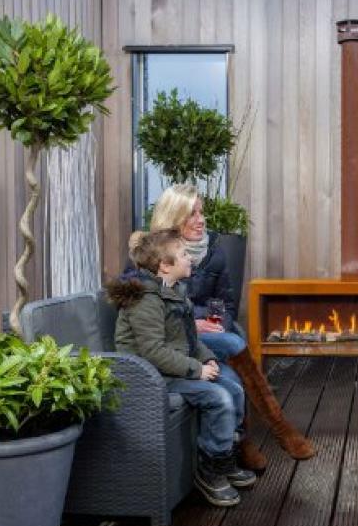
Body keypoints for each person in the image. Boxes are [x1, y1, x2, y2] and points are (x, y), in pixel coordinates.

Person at [135, 184, 316, 469]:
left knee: (231, 366)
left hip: (207, 335)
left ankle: (240, 442)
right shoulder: (153, 254)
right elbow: (146, 302)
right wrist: (194, 321)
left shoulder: (214, 252)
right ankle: (279, 429)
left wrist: (217, 323)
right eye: (192, 213)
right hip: (175, 336)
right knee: (234, 345)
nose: (201, 219)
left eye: (201, 212)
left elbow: (226, 304)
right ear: (173, 217)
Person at [107, 229, 256, 508]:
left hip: (172, 369)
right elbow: (153, 352)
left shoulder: (174, 293)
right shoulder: (146, 300)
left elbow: (190, 338)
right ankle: (209, 469)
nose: (190, 258)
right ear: (165, 266)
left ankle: (224, 457)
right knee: (219, 397)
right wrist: (196, 370)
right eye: (184, 254)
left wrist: (207, 358)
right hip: (152, 376)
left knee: (234, 390)